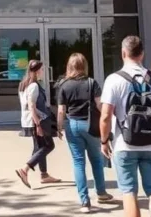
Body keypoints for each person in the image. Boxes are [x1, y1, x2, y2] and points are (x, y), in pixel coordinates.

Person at [99, 36, 151, 217]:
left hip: (124, 143)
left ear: (123, 53)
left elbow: (106, 115)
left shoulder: (114, 80)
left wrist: (103, 141)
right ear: (142, 54)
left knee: (129, 191)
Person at [56, 53, 114, 212]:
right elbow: (100, 106)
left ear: (69, 66)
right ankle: (101, 192)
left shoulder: (64, 85)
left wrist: (59, 127)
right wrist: (107, 124)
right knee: (96, 159)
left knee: (78, 162)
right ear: (84, 66)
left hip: (72, 125)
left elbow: (61, 111)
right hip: (90, 126)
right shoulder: (92, 82)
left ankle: (84, 201)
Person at [13, 60, 60, 188]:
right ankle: (25, 169)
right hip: (37, 121)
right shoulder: (33, 86)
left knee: (39, 147)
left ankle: (44, 175)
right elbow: (31, 105)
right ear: (37, 71)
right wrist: (38, 124)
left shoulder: (23, 84)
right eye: (42, 69)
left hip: (29, 120)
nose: (43, 72)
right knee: (48, 145)